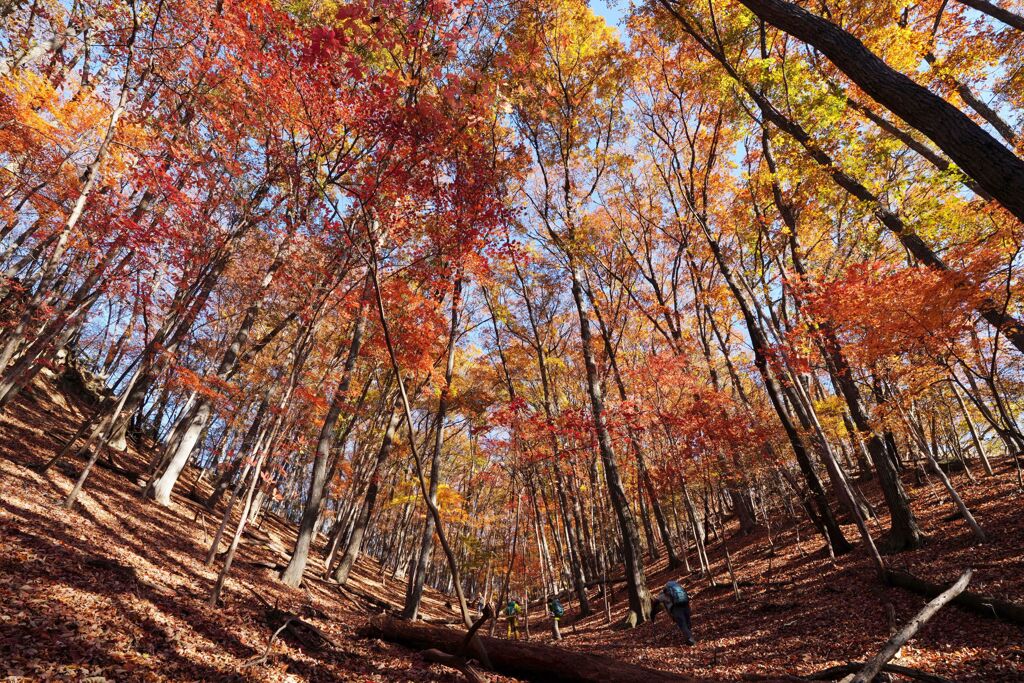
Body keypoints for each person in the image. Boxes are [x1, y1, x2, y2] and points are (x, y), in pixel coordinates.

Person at [653, 580, 695, 645]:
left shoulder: (664, 594)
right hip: (686, 605)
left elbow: (656, 601)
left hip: (676, 608)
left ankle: (690, 639)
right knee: (687, 621)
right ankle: (689, 636)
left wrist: (653, 608)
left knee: (682, 624)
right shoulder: (680, 589)